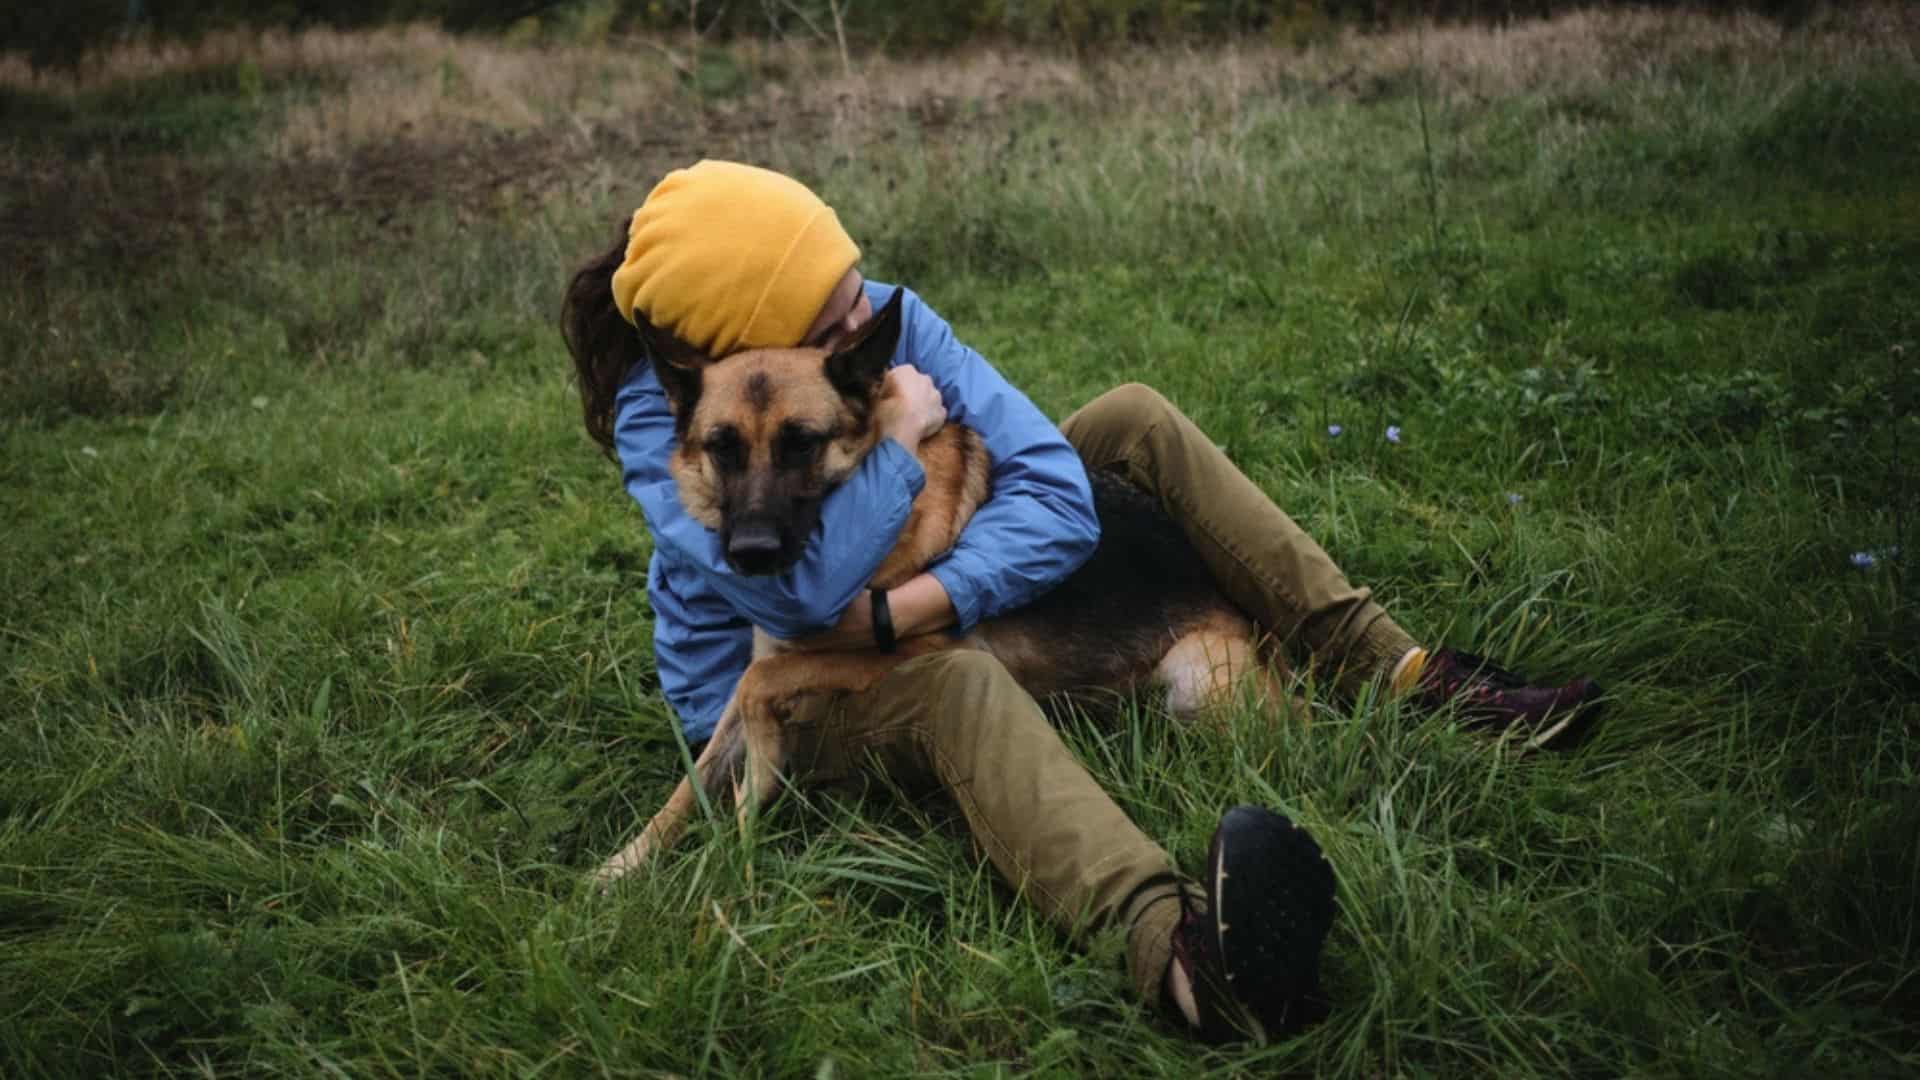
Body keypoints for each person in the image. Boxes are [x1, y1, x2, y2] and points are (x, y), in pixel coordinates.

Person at [559, 160, 1602, 1043]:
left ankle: (1406, 673)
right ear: (750, 351)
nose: (866, 313)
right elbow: (795, 594)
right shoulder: (685, 423)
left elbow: (1057, 491)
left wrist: (917, 601)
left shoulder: (877, 328)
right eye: (831, 312)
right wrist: (907, 467)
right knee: (954, 679)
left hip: (890, 618)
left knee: (1128, 422)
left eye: (853, 287)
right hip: (767, 703)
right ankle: (1182, 958)